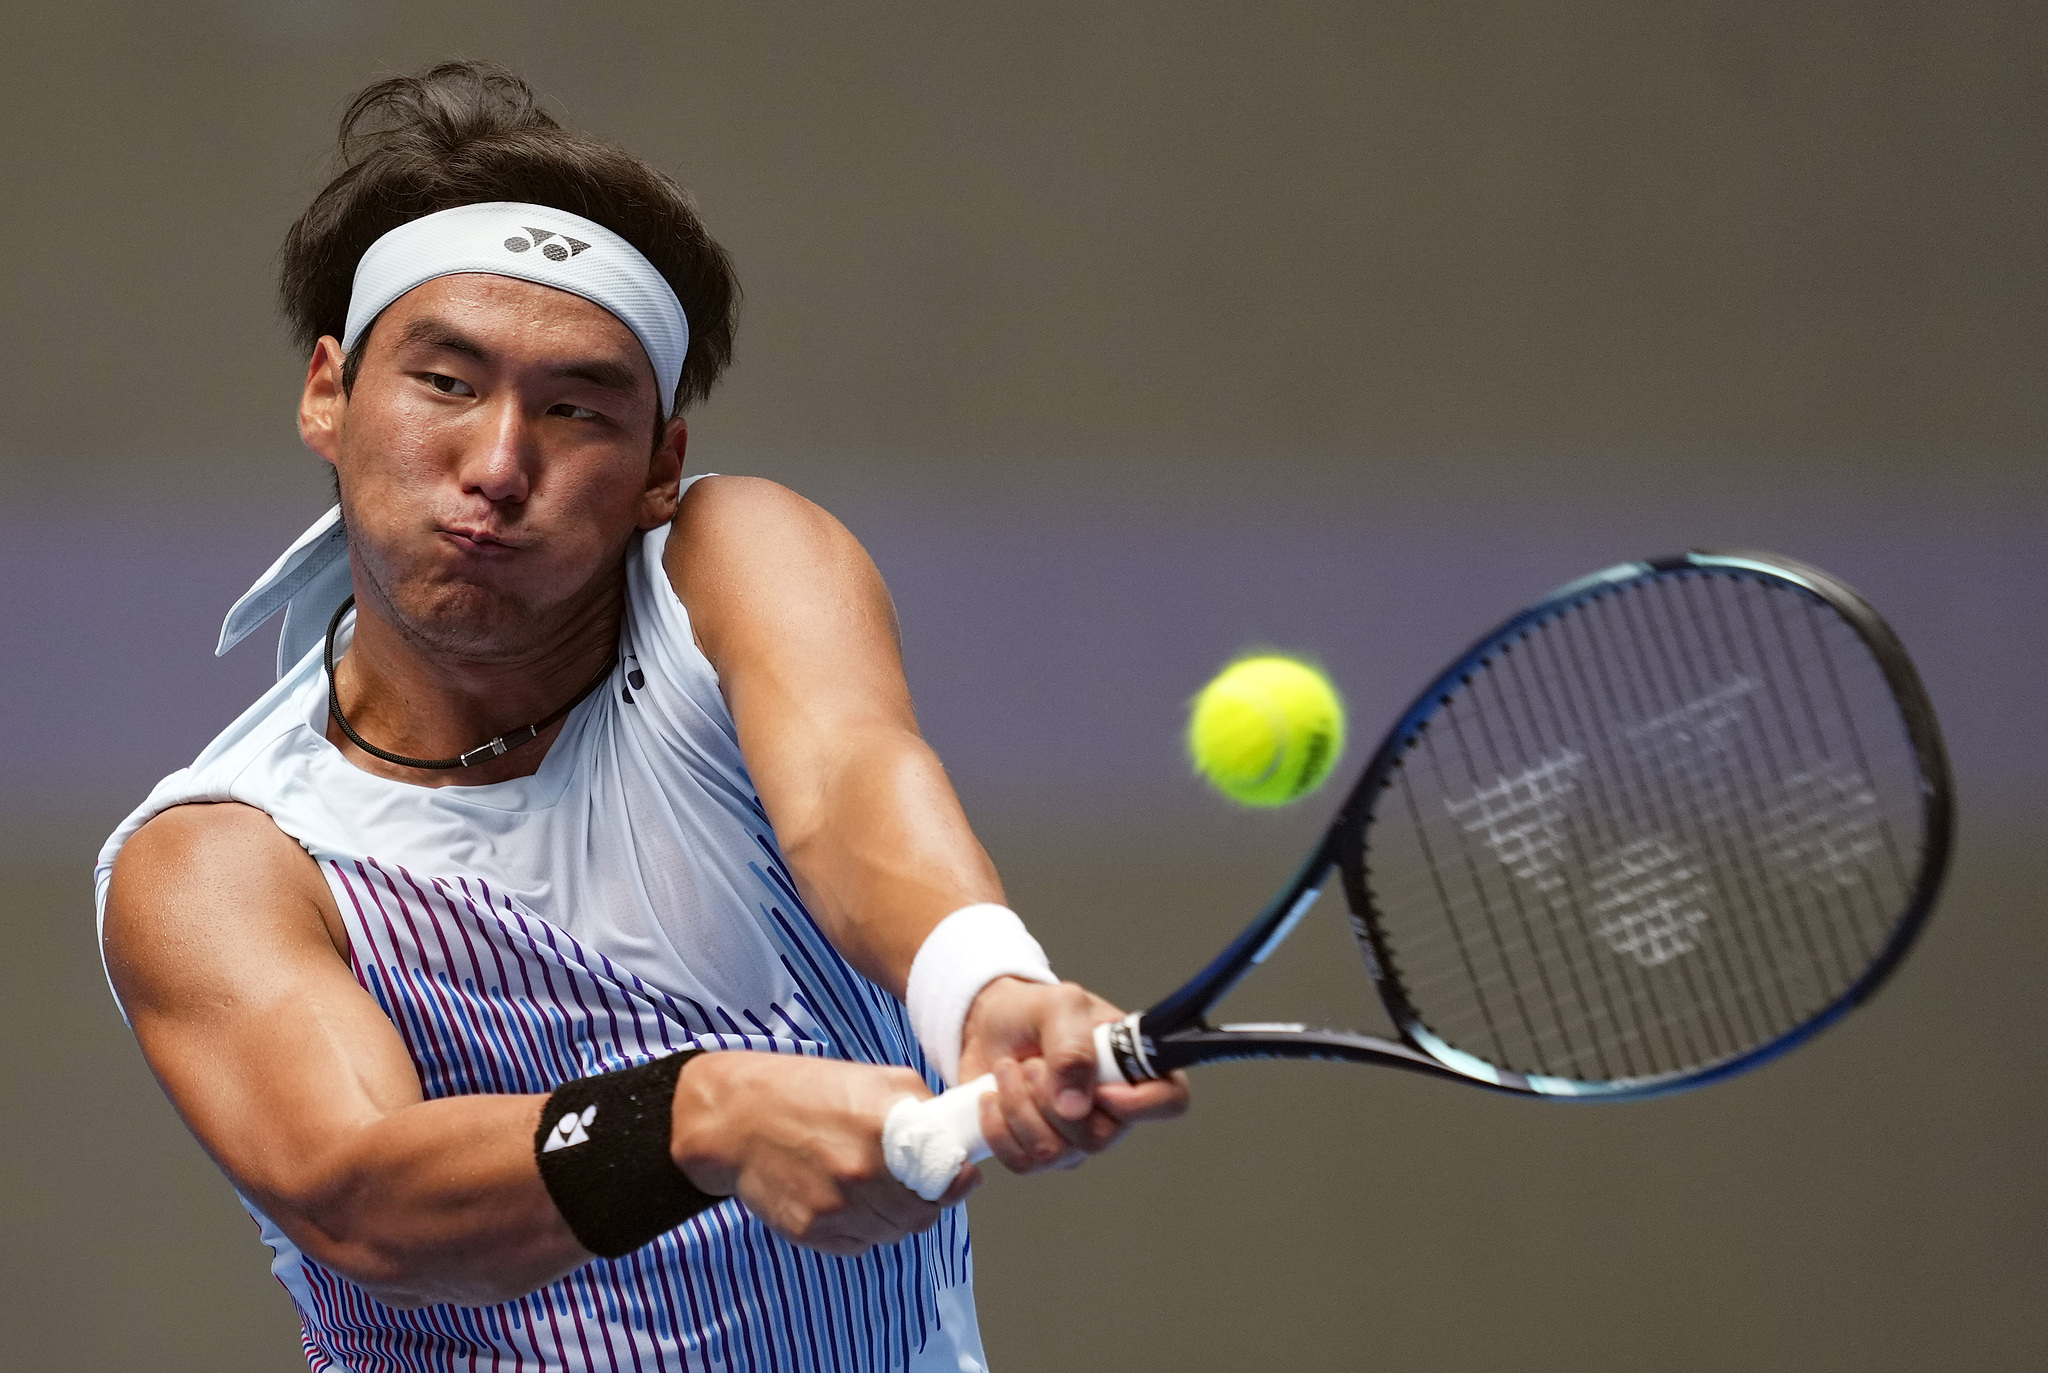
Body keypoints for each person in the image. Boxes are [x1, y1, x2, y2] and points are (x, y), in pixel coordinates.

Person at [95, 61, 1186, 1373]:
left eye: (574, 409)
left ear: (661, 465)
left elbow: (850, 785)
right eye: (446, 382)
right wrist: (696, 1114)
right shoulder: (215, 863)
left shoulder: (733, 561)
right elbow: (362, 1195)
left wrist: (983, 983)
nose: (500, 464)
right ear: (329, 392)